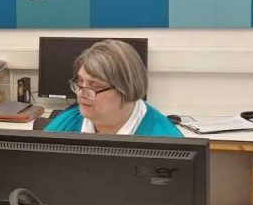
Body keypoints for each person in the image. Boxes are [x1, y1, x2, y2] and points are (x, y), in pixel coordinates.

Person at [44, 40, 180, 137]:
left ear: (126, 88)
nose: (81, 93)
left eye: (95, 86)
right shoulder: (66, 124)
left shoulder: (165, 140)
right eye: (79, 82)